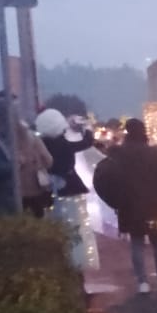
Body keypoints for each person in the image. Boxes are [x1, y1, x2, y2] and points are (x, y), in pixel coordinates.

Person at [92, 118, 157, 294]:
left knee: (136, 243)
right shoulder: (153, 152)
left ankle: (142, 282)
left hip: (130, 204)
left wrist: (114, 199)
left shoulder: (119, 153)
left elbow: (106, 174)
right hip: (154, 203)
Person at [35, 108, 99, 273]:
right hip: (70, 187)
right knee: (75, 229)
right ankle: (75, 263)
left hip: (48, 191)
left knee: (55, 226)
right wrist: (87, 128)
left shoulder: (41, 144)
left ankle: (59, 263)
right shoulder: (63, 144)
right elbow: (86, 143)